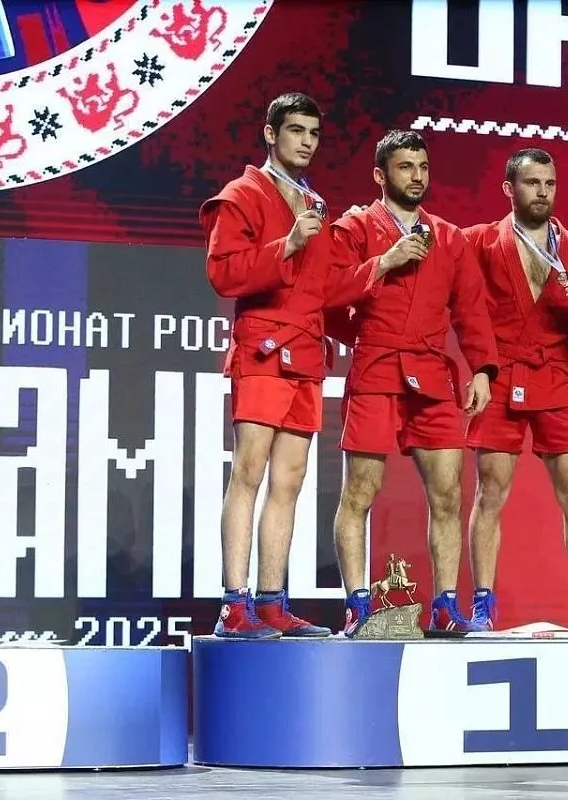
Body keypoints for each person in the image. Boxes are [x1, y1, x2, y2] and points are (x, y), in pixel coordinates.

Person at [327, 129, 500, 637]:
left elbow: (471, 309)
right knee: (360, 490)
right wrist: (385, 261)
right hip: (377, 368)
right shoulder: (354, 227)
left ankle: (444, 605)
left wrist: (483, 369)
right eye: (406, 167)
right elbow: (329, 292)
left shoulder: (449, 237)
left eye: (423, 167)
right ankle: (357, 606)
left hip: (432, 374)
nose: (417, 176)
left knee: (448, 494)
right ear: (380, 175)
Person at [460, 148, 568, 636]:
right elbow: (460, 300)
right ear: (509, 189)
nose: (543, 192)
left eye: (549, 183)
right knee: (490, 490)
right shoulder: (480, 242)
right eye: (532, 183)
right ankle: (483, 604)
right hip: (503, 372)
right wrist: (481, 369)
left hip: (556, 375)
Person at [197, 92, 339, 640]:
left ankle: (273, 601)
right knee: (249, 471)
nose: (307, 142)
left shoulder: (315, 203)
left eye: (314, 133)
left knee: (290, 479)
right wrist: (287, 242)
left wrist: (377, 268)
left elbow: (323, 287)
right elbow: (224, 274)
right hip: (263, 350)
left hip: (305, 353)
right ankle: (234, 605)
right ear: (270, 133)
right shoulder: (242, 195)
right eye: (296, 130)